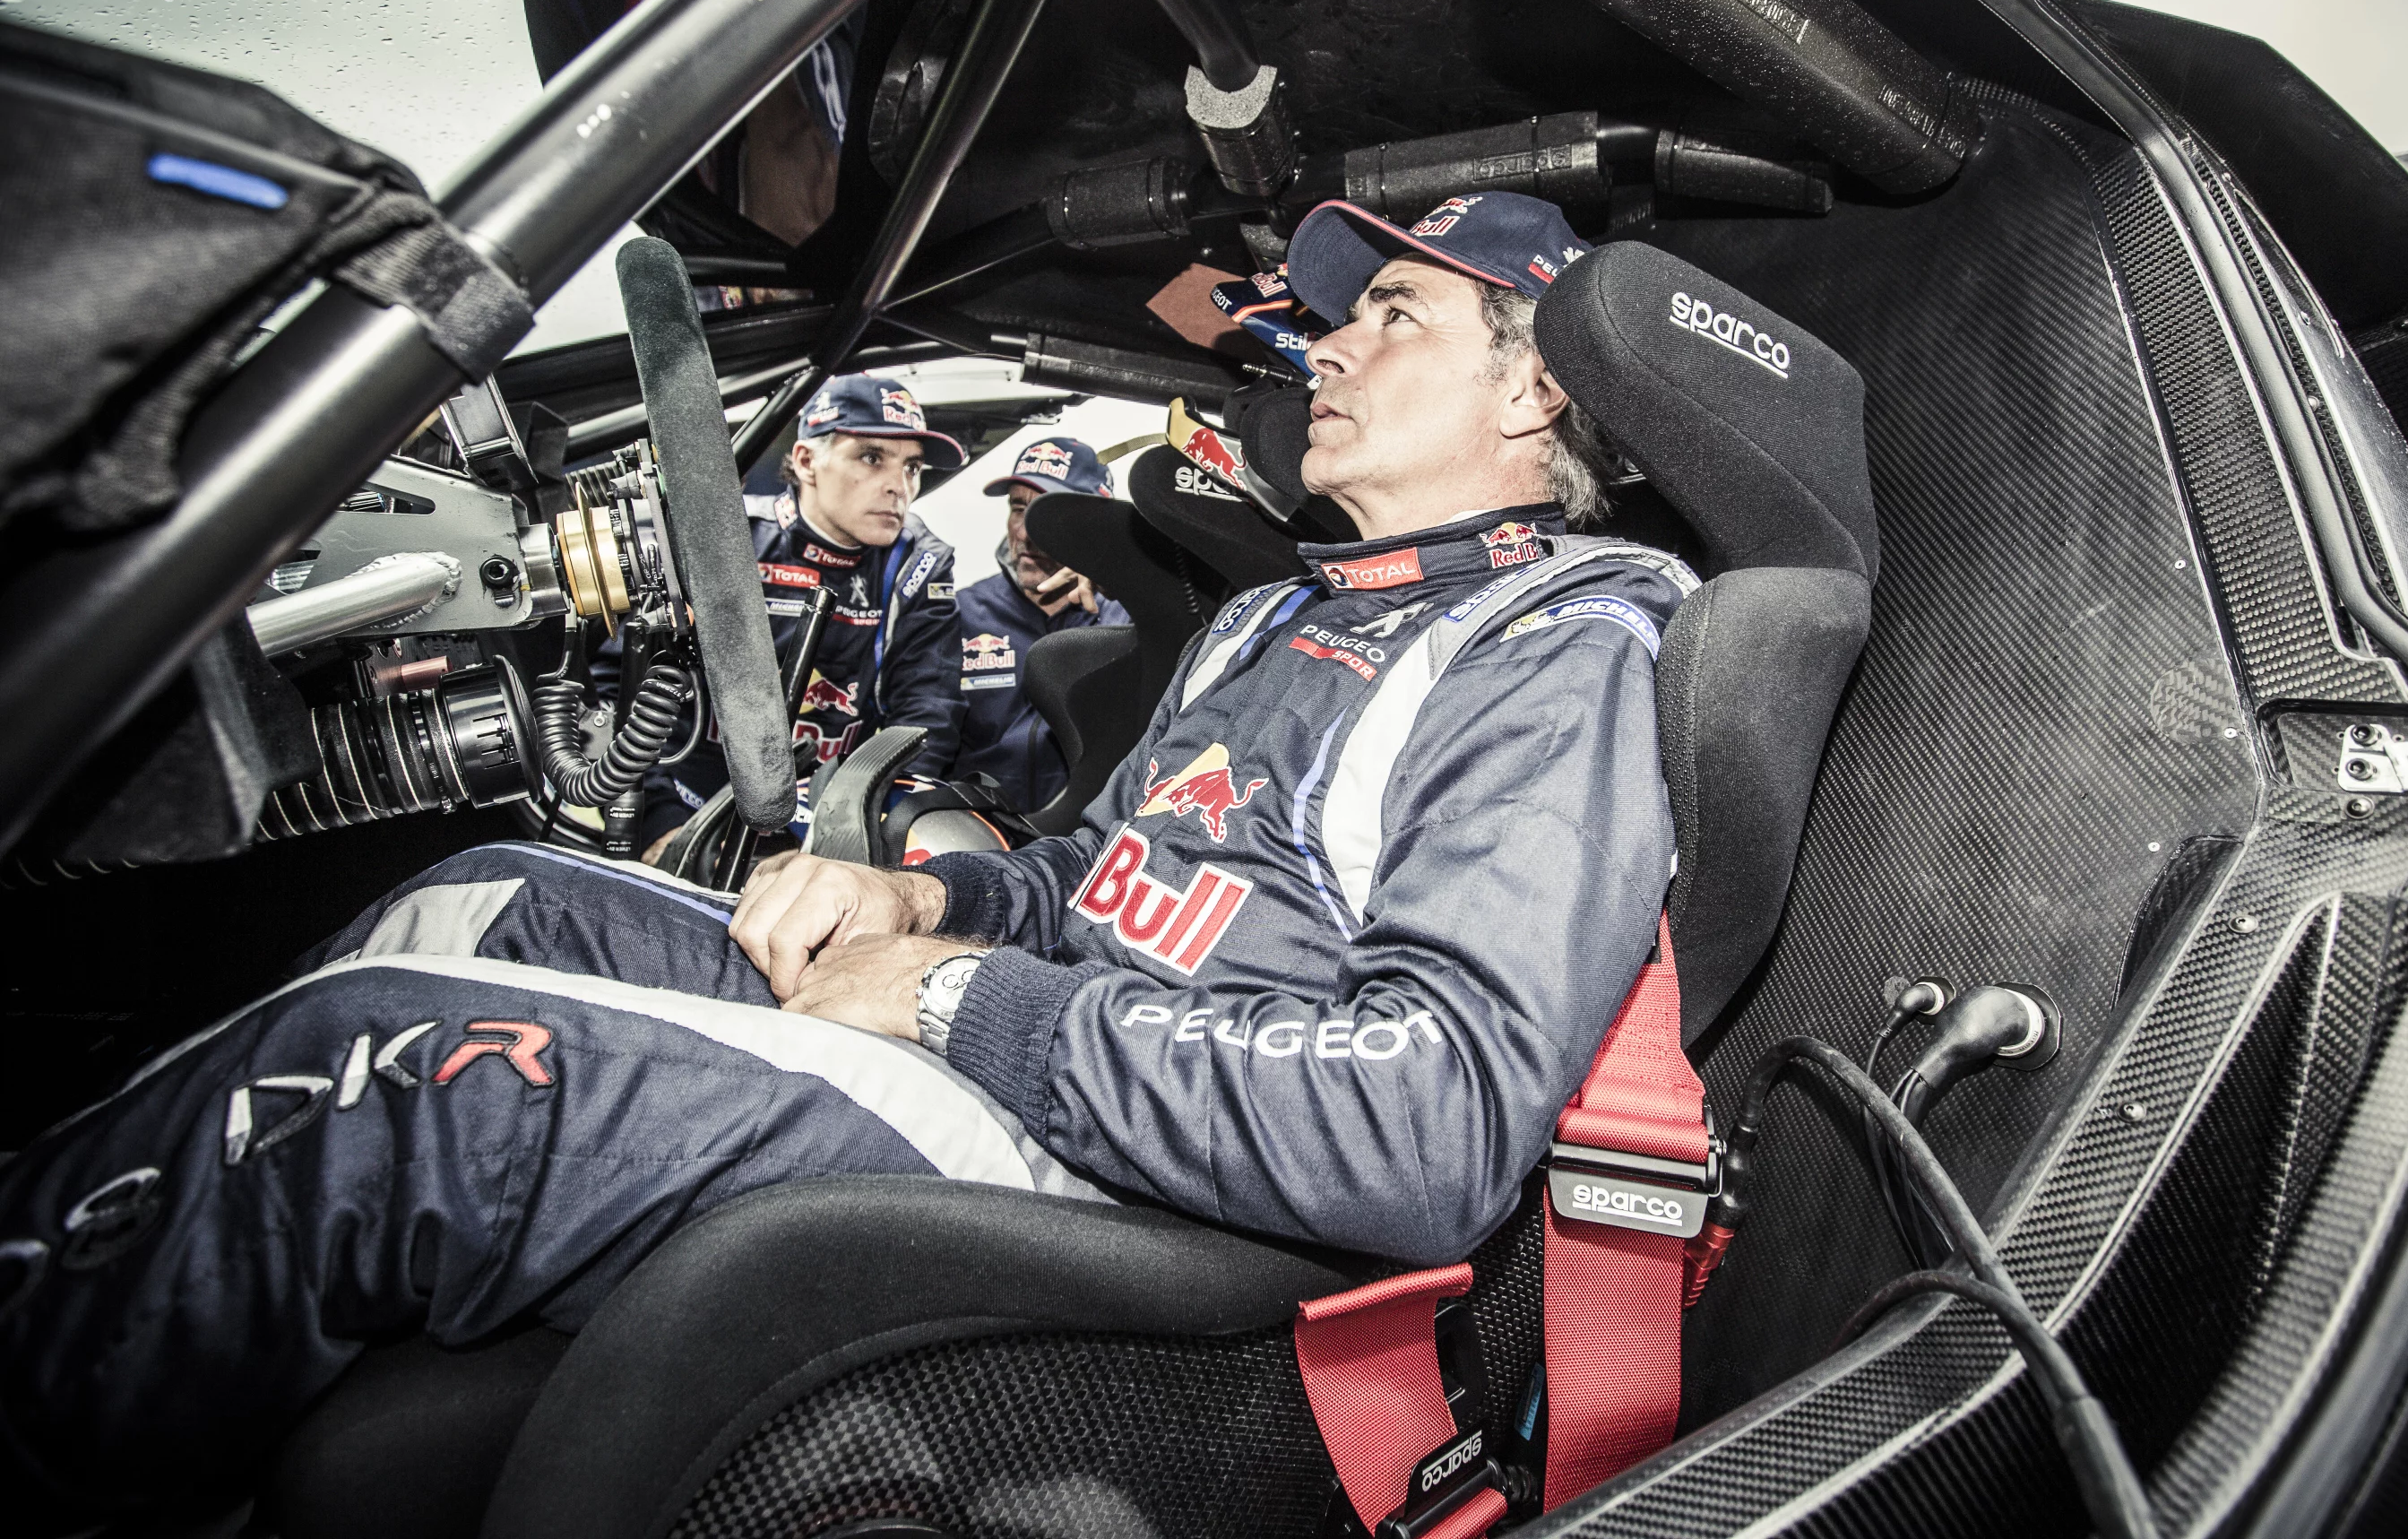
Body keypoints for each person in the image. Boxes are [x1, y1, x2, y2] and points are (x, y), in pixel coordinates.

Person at [0, 192, 1693, 1509]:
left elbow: (1418, 1129)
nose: (1326, 348)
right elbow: (1087, 883)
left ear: (1535, 385)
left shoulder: (1563, 651)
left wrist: (951, 995)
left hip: (1164, 1189)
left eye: (1393, 315)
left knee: (405, 1074)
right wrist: (920, 894)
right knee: (484, 900)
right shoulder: (1274, 621)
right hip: (1052, 1052)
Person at [630, 373, 968, 862]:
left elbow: (928, 717)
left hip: (823, 825)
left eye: (912, 467)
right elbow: (628, 688)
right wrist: (659, 824)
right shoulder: (727, 539)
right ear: (807, 461)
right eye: (872, 458)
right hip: (692, 811)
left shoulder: (920, 562)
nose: (899, 487)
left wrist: (868, 835)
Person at [950, 435, 1132, 814]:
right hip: (975, 828)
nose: (1024, 533)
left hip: (1087, 835)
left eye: (1047, 513)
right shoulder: (961, 613)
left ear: (1094, 523)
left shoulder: (1130, 619)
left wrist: (1124, 580)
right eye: (1018, 508)